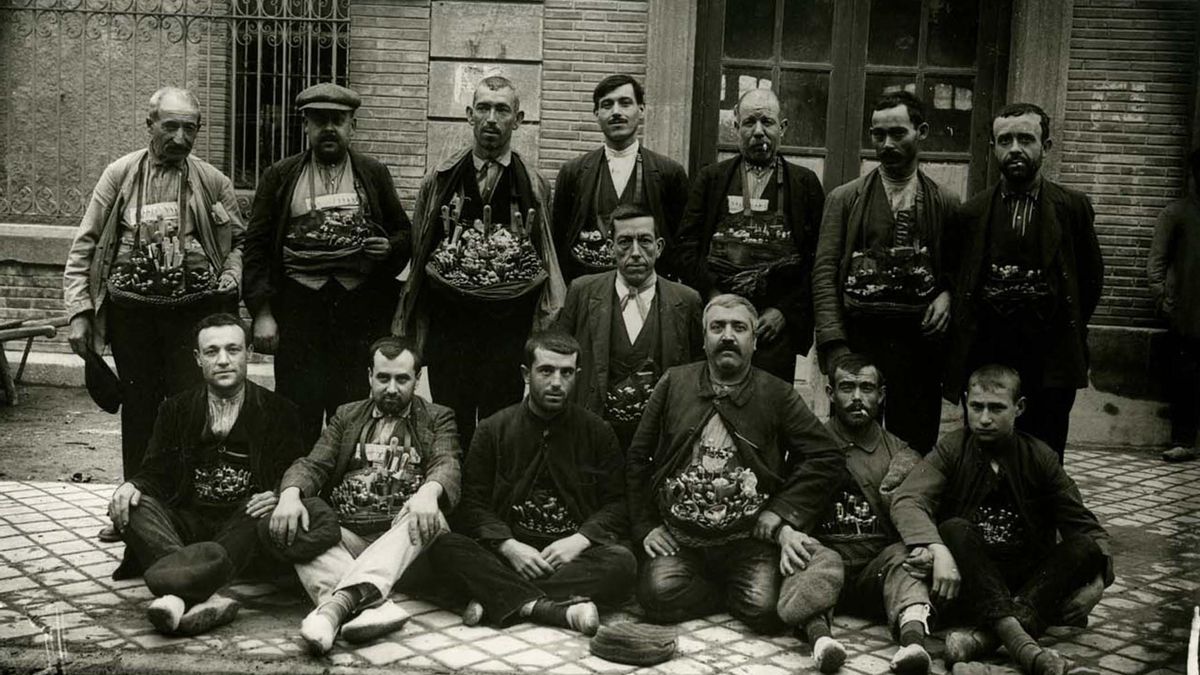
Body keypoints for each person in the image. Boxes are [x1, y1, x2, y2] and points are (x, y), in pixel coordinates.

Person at [64, 87, 244, 540]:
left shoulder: (213, 181)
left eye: (190, 129)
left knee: (189, 412)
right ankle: (134, 515)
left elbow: (242, 242)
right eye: (171, 126)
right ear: (149, 125)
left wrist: (232, 275)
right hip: (133, 317)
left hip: (192, 317)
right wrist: (79, 312)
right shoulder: (120, 175)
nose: (181, 138)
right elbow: (85, 244)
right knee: (140, 413)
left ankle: (185, 513)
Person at [626, 294, 845, 656]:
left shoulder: (777, 393)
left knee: (764, 609)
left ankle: (733, 589)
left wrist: (781, 512)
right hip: (682, 537)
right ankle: (724, 591)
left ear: (754, 340)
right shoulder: (674, 383)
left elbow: (826, 456)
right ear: (704, 339)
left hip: (748, 540)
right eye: (718, 327)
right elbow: (637, 458)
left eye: (739, 328)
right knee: (655, 596)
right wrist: (646, 525)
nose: (728, 336)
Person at [106, 314, 329, 636]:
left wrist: (279, 495)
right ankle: (205, 594)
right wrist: (132, 485)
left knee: (265, 510)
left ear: (248, 353)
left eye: (233, 350)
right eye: (211, 352)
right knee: (134, 505)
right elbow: (156, 472)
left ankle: (176, 595)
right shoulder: (175, 409)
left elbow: (293, 473)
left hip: (243, 525)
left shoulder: (280, 410)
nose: (223, 360)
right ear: (198, 359)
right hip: (188, 522)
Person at [890, 364, 1112, 675]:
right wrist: (936, 548)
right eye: (976, 407)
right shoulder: (952, 448)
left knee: (1084, 547)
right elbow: (908, 499)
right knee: (954, 528)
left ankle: (982, 641)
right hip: (967, 578)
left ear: (1019, 408)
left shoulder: (1040, 457)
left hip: (1025, 580)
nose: (984, 419)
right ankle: (1028, 651)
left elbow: (1087, 528)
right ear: (966, 402)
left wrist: (1098, 584)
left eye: (996, 408)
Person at [394, 75, 566, 448]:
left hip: (508, 330)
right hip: (449, 328)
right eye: (484, 108)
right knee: (450, 422)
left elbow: (544, 259)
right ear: (470, 115)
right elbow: (419, 249)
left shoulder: (535, 185)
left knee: (499, 423)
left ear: (518, 119)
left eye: (502, 109)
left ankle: (486, 500)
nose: (492, 118)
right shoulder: (438, 181)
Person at [267, 336, 462, 653]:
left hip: (407, 544)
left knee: (430, 517)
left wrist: (430, 490)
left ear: (418, 379)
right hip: (351, 537)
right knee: (300, 524)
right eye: (383, 378)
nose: (391, 388)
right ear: (369, 376)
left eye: (402, 379)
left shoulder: (438, 417)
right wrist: (289, 495)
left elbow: (447, 461)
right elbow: (314, 464)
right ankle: (372, 607)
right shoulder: (347, 415)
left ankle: (333, 609)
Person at [243, 82, 412, 448]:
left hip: (358, 311)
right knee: (296, 411)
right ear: (305, 126)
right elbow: (255, 246)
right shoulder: (281, 176)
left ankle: (341, 497)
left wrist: (389, 247)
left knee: (351, 411)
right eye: (320, 121)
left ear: (353, 125)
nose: (329, 129)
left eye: (338, 120)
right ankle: (294, 494)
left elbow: (403, 233)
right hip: (299, 309)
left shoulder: (373, 173)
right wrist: (263, 311)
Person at [945, 103, 1104, 462]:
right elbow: (959, 280)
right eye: (1005, 140)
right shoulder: (971, 213)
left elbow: (1090, 282)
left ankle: (1039, 518)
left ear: (1045, 146)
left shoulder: (1073, 208)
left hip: (1050, 357)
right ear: (993, 148)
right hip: (988, 353)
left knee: (1044, 454)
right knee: (985, 449)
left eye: (1026, 139)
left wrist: (1060, 326)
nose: (1015, 148)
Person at [453, 330, 636, 633]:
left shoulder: (597, 432)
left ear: (577, 375)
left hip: (571, 555)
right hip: (509, 553)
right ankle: (548, 609)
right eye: (546, 371)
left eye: (566, 373)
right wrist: (507, 546)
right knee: (445, 546)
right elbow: (472, 503)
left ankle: (496, 594)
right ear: (527, 373)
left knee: (623, 563)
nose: (556, 382)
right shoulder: (492, 429)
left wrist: (580, 540)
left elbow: (618, 503)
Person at [813, 91, 959, 454]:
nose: (887, 143)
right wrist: (834, 344)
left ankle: (907, 506)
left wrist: (948, 295)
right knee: (851, 440)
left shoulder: (945, 201)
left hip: (918, 343)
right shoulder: (845, 199)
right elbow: (825, 271)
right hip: (860, 338)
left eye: (898, 133)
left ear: (921, 131)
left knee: (913, 444)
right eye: (879, 135)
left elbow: (957, 269)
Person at [778, 352, 933, 674]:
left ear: (881, 395)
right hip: (826, 563)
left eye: (867, 388)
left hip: (874, 574)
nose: (857, 398)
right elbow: (786, 503)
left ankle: (913, 643)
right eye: (847, 388)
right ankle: (822, 642)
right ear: (831, 394)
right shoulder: (810, 445)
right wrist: (788, 532)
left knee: (905, 558)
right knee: (806, 554)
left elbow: (920, 512)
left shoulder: (900, 452)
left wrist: (925, 549)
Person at [674, 88, 825, 383]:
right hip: (720, 320)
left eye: (767, 122)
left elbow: (817, 261)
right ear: (735, 127)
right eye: (749, 123)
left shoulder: (804, 183)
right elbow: (686, 247)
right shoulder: (712, 179)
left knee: (769, 408)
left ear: (782, 128)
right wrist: (713, 298)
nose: (758, 132)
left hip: (773, 327)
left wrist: (784, 312)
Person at [555, 203, 704, 449]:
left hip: (659, 439)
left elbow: (698, 372)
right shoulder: (582, 291)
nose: (635, 252)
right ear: (611, 248)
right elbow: (561, 359)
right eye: (624, 242)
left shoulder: (687, 300)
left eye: (644, 241)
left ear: (659, 248)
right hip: (592, 434)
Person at [552, 74, 690, 283]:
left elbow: (681, 243)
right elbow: (559, 240)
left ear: (641, 109)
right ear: (596, 113)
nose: (616, 112)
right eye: (607, 105)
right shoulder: (573, 172)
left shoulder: (669, 173)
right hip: (589, 289)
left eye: (625, 103)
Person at [1148, 148, 1200, 462]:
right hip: (1188, 315)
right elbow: (1156, 262)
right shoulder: (1176, 213)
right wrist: (1163, 300)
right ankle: (1184, 439)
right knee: (1186, 379)